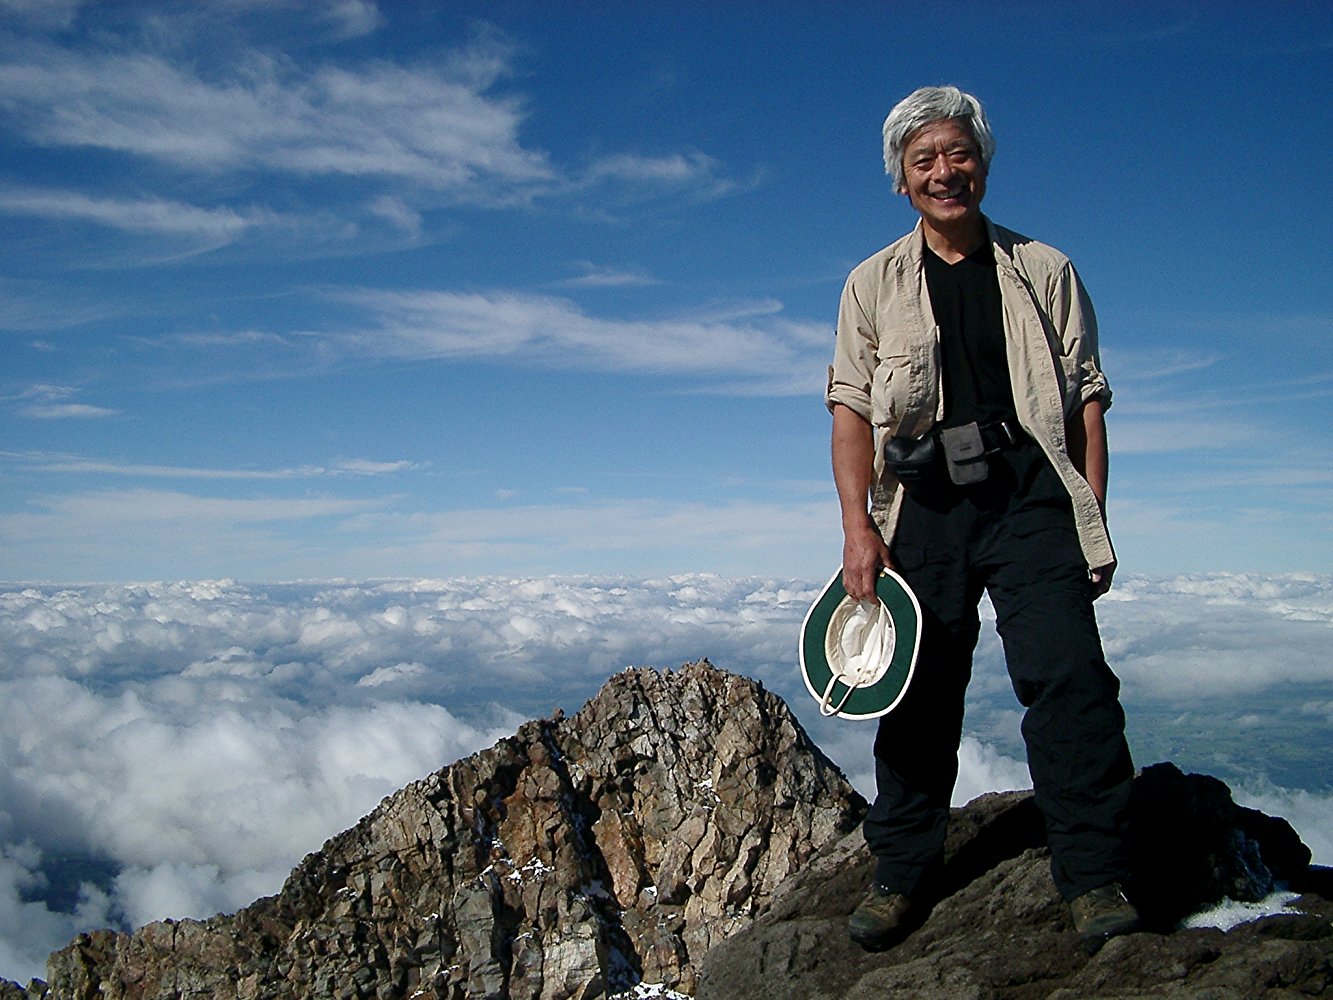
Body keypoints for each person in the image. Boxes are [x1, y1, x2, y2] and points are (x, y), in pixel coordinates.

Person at [826, 85, 1140, 952]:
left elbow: (1086, 404)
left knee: (1068, 681)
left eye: (957, 153)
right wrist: (859, 529)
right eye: (922, 160)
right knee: (919, 695)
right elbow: (850, 410)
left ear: (983, 161)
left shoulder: (1045, 269)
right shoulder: (871, 283)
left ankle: (1093, 875)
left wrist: (1091, 517)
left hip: (1031, 497)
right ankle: (899, 875)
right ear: (900, 178)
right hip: (922, 508)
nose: (943, 172)